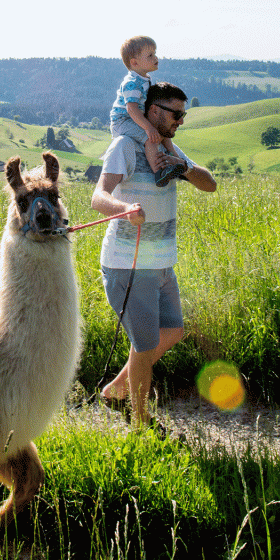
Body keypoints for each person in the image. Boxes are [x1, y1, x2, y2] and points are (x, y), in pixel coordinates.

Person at [93, 82, 217, 431]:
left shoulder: (167, 147)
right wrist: (124, 208)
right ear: (153, 111)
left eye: (183, 114)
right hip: (128, 264)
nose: (181, 120)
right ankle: (141, 422)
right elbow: (99, 197)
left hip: (162, 263)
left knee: (173, 331)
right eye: (176, 114)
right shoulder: (125, 146)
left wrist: (182, 166)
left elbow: (210, 184)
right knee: (145, 345)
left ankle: (116, 390)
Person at [110, 35, 186, 187]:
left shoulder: (144, 79)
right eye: (150, 55)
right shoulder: (132, 82)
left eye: (155, 53)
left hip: (133, 119)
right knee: (150, 138)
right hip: (123, 121)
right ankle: (159, 172)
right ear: (134, 62)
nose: (155, 57)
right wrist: (148, 127)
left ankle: (177, 160)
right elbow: (131, 109)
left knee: (163, 135)